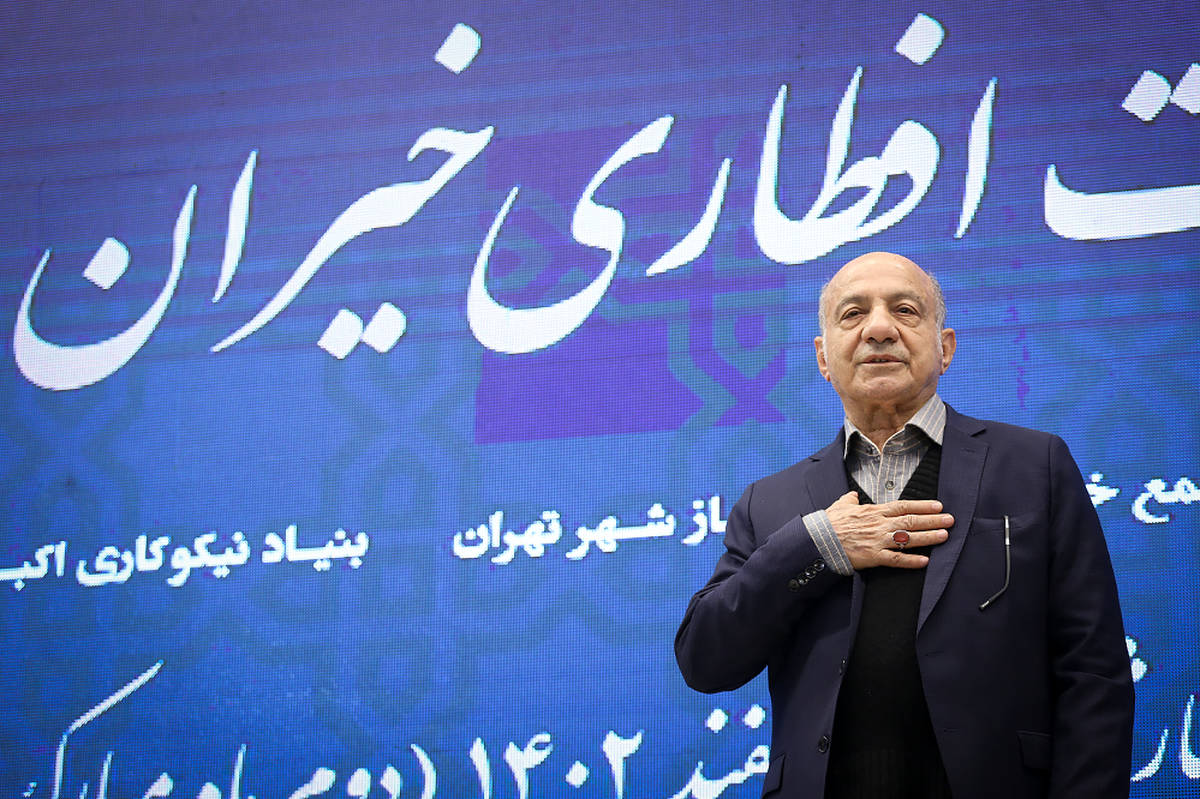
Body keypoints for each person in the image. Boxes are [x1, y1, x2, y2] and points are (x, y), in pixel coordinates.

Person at [674, 252, 1133, 798]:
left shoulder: (1035, 467)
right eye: (852, 314)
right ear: (823, 358)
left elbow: (1093, 671)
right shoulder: (769, 503)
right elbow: (705, 659)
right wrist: (818, 544)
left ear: (946, 348)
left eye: (906, 310)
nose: (878, 329)